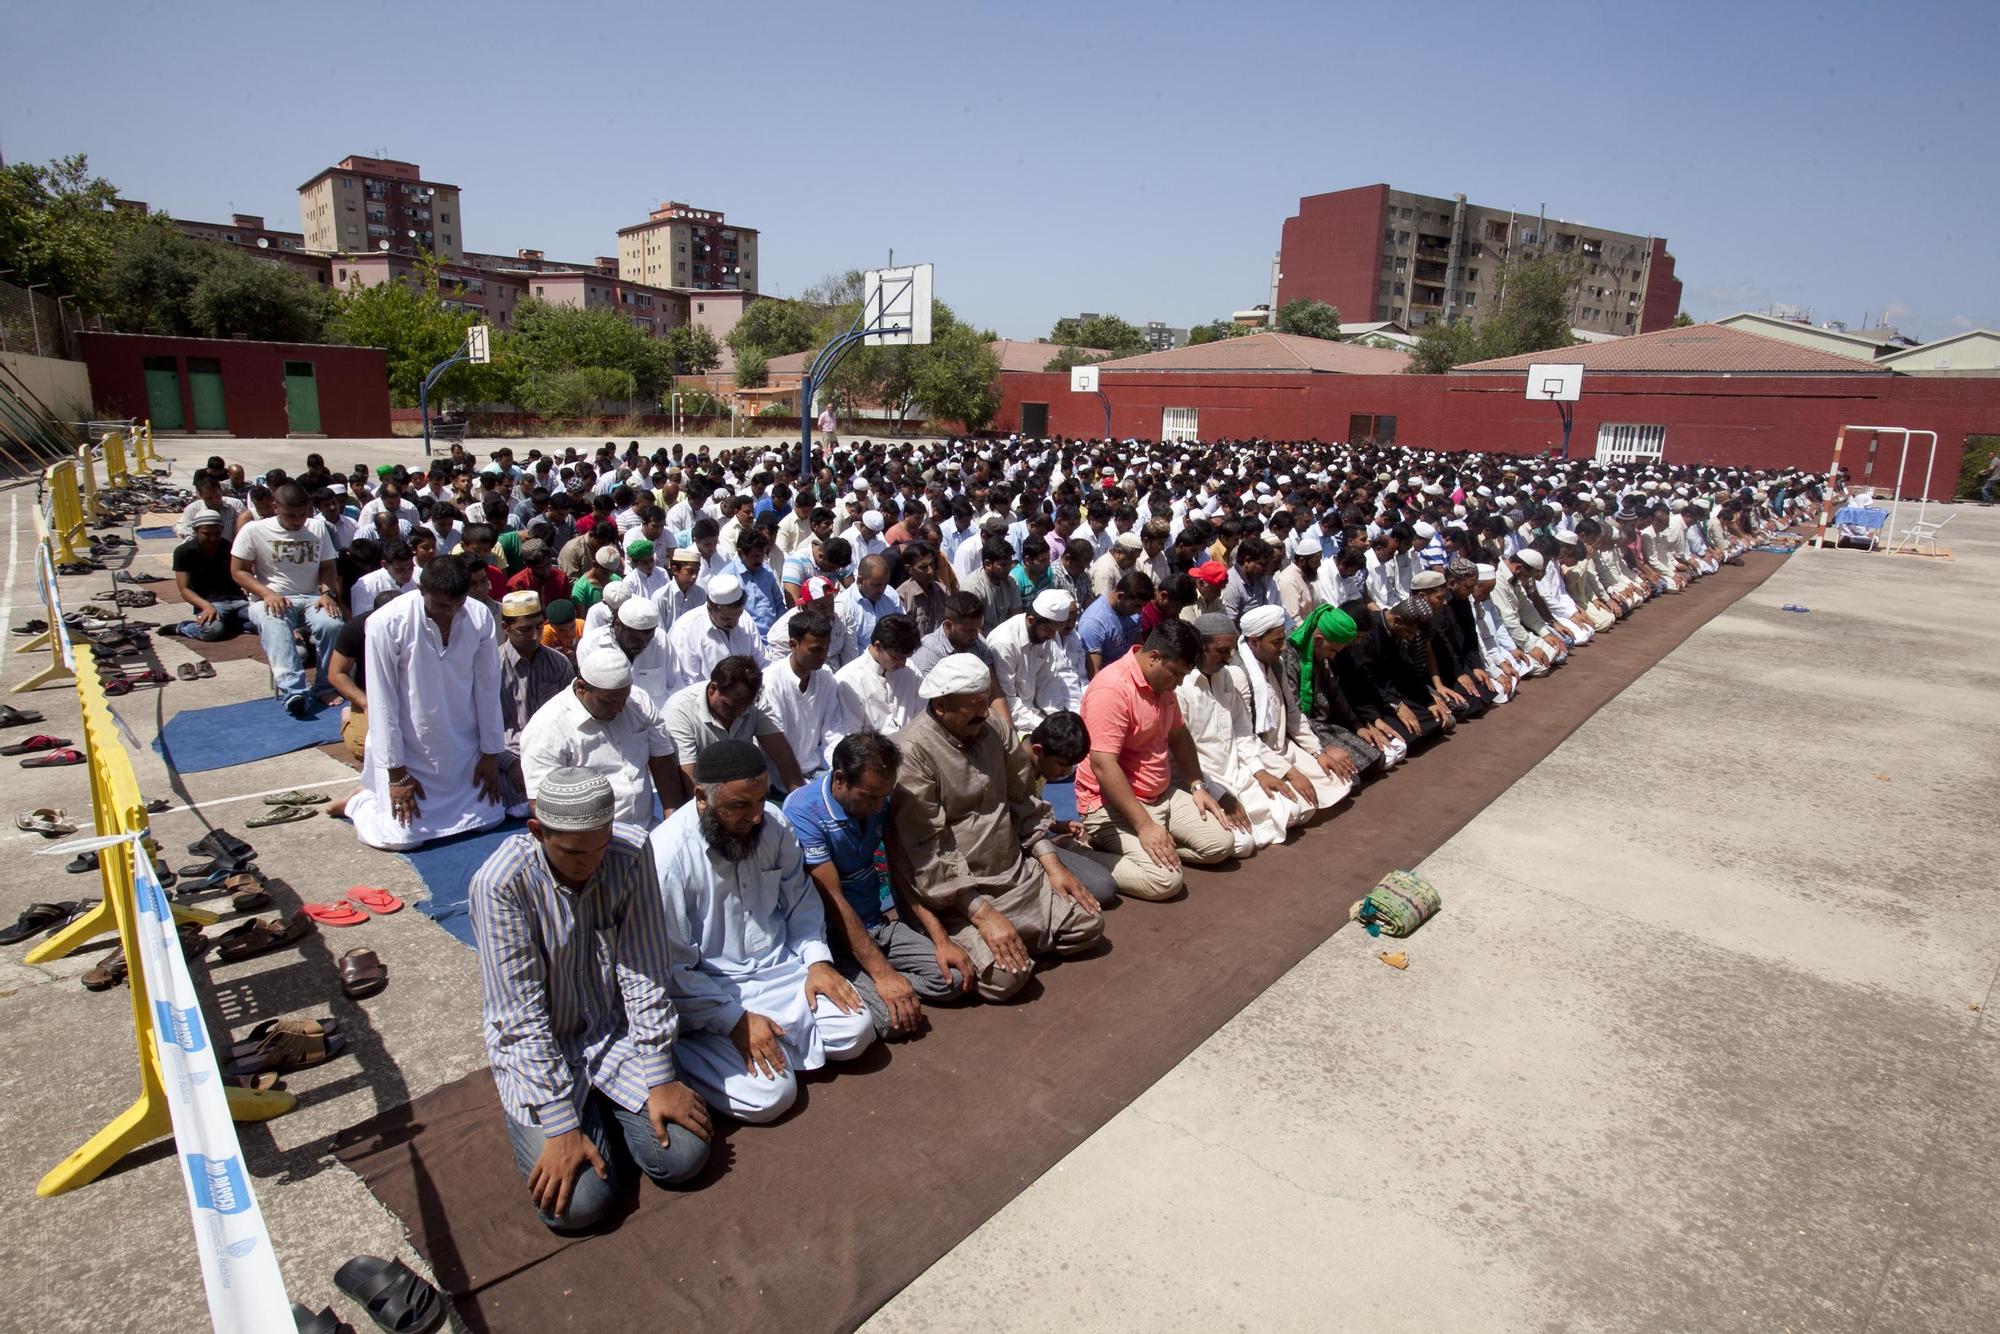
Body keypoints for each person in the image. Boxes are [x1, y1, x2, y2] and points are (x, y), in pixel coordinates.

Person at [470, 767, 711, 1233]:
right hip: (545, 1047)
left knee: (685, 1156)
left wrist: (660, 1076)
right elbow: (519, 1018)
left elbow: (644, 969)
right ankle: (580, 1120)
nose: (592, 864)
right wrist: (560, 1125)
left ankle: (609, 1115)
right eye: (575, 853)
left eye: (600, 847)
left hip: (612, 1033)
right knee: (579, 1207)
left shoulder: (629, 849)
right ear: (538, 832)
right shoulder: (501, 884)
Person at [653, 739, 876, 1123]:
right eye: (740, 806)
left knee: (856, 1030)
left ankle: (772, 1046)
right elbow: (673, 971)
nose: (756, 816)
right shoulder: (667, 857)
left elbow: (800, 901)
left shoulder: (773, 825)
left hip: (781, 972)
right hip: (714, 993)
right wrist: (734, 1021)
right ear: (702, 799)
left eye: (759, 801)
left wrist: (818, 961)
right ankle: (687, 1056)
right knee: (773, 1096)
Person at [889, 655, 1105, 1001]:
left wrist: (1052, 865)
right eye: (972, 705)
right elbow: (928, 850)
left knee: (1089, 924)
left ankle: (1018, 937)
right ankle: (1002, 940)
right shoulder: (912, 753)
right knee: (1007, 980)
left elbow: (1023, 802)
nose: (981, 711)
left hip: (1014, 875)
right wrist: (983, 914)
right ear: (941, 706)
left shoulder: (995, 728)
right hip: (959, 893)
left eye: (983, 701)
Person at [782, 732, 972, 1041]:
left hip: (877, 925)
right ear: (840, 779)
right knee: (888, 1022)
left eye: (884, 796)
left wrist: (940, 939)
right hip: (835, 939)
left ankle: (891, 990)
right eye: (869, 796)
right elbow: (833, 901)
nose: (878, 805)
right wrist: (884, 975)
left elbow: (900, 869)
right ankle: (871, 985)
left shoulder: (879, 799)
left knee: (956, 977)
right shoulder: (803, 812)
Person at [333, 556, 510, 850]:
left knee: (489, 820)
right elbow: (382, 701)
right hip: (410, 752)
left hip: (463, 749)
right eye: (441, 605)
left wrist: (490, 754)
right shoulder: (385, 623)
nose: (450, 613)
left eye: (458, 604)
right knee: (401, 839)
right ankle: (360, 803)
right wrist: (396, 773)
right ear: (419, 588)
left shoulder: (479, 616)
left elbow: (488, 689)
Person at [1074, 620, 1242, 900]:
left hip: (1160, 794)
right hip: (1111, 803)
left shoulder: (1162, 684)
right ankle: (1078, 853)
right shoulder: (1112, 690)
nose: (1178, 684)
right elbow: (1103, 765)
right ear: (1154, 657)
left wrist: (1197, 786)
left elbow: (1179, 734)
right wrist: (1145, 826)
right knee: (1164, 881)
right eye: (1176, 675)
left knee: (1222, 843)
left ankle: (1154, 849)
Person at [521, 641, 682, 826]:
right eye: (609, 702)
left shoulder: (638, 701)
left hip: (647, 829)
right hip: (590, 839)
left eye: (624, 698)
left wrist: (672, 820)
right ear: (581, 687)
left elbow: (662, 763)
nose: (620, 708)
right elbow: (542, 804)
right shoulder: (546, 728)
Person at [229, 480, 345, 717]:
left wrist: (326, 593)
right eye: (291, 515)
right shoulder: (254, 530)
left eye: (303, 515)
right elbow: (238, 571)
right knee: (276, 625)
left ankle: (325, 686)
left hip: (313, 596)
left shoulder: (318, 528)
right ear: (275, 507)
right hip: (271, 597)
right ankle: (294, 691)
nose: (298, 521)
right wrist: (266, 593)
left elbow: (328, 567)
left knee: (333, 624)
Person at [659, 655, 806, 795]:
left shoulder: (755, 702)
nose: (739, 713)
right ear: (712, 689)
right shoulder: (680, 711)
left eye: (745, 706)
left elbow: (782, 753)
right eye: (730, 706)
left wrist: (799, 797)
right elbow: (689, 779)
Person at [498, 590, 576, 809]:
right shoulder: (492, 668)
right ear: (506, 628)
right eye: (525, 629)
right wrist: (510, 763)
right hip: (510, 758)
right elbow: (482, 730)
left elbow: (571, 718)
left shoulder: (558, 663)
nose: (534, 635)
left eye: (539, 627)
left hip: (555, 754)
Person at [756, 609, 844, 788]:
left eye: (827, 648)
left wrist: (840, 769)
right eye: (816, 650)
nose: (823, 656)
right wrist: (800, 790)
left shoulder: (826, 675)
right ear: (793, 644)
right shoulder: (770, 682)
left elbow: (833, 731)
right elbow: (777, 750)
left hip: (819, 771)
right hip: (779, 779)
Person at [986, 588, 1078, 734]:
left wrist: (1057, 719)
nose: (1053, 636)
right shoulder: (1004, 643)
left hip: (1036, 715)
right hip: (1012, 721)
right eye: (1049, 630)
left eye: (1055, 631)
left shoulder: (1045, 635)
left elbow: (1048, 681)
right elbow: (1007, 701)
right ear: (1031, 620)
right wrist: (1045, 728)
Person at [664, 573, 760, 692]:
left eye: (738, 616)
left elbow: (761, 661)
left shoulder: (745, 619)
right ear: (710, 608)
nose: (735, 623)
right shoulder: (686, 630)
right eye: (726, 619)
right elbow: (686, 683)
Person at [834, 612, 923, 735]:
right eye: (897, 658)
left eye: (906, 658)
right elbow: (851, 736)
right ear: (877, 646)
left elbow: (922, 717)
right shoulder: (848, 680)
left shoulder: (911, 670)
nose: (903, 665)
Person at [168, 508, 249, 641]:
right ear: (196, 531)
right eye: (207, 534)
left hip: (238, 601)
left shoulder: (230, 548)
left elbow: (243, 575)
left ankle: (230, 624)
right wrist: (206, 606)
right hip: (209, 602)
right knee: (212, 631)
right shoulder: (184, 552)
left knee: (269, 623)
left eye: (217, 534)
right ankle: (183, 627)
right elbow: (185, 589)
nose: (213, 539)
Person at [1077, 570, 1151, 678]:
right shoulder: (1093, 624)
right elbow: (1095, 674)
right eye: (1137, 606)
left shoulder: (1133, 612)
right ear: (1121, 597)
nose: (1140, 611)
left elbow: (1139, 649)